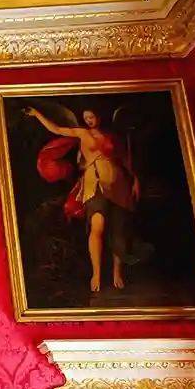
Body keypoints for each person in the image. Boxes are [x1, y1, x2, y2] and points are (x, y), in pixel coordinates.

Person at [25, 104, 141, 293]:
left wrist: (135, 180)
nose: (89, 120)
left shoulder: (111, 137)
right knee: (98, 227)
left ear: (99, 117)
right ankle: (96, 273)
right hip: (94, 185)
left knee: (119, 229)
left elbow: (124, 159)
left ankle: (117, 273)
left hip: (119, 185)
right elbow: (56, 129)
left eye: (91, 117)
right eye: (86, 117)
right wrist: (38, 114)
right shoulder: (81, 134)